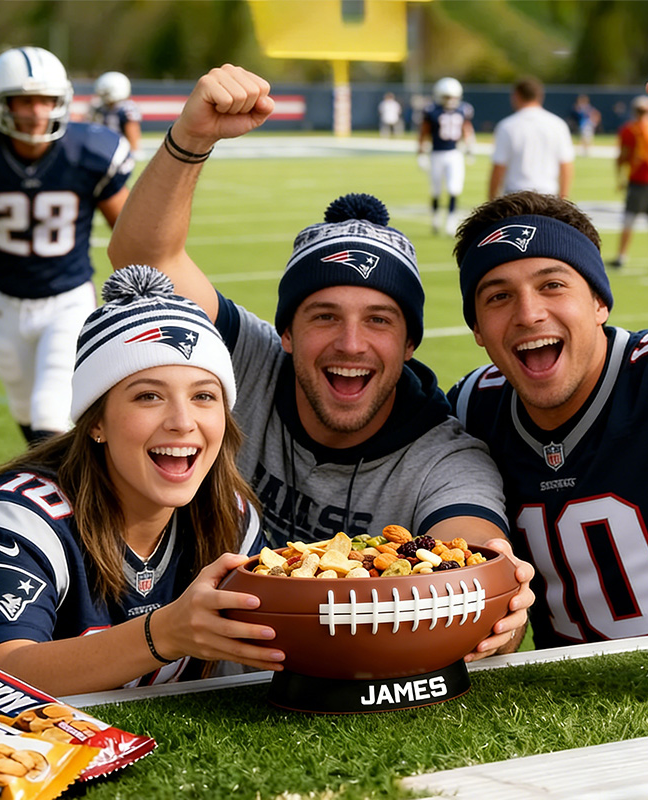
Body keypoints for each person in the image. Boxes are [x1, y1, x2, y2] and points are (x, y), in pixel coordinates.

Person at [107, 64, 535, 662]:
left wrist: (494, 605)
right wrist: (191, 139)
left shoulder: (442, 454)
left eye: (379, 320)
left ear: (410, 344)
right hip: (200, 678)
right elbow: (143, 259)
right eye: (324, 316)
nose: (352, 344)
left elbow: (471, 556)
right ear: (285, 332)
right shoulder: (249, 362)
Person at [446, 45, 648, 652]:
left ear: (600, 303)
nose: (529, 312)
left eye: (553, 285)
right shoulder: (471, 409)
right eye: (498, 296)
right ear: (477, 330)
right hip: (563, 699)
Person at [0, 265, 275, 696]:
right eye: (149, 395)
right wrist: (162, 634)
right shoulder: (16, 520)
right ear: (96, 422)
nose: (183, 422)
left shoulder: (232, 515)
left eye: (204, 396)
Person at [0, 46, 134, 445]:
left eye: (46, 99)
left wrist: (135, 293)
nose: (37, 111)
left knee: (50, 414)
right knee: (27, 416)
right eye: (24, 100)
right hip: (7, 306)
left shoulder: (89, 151)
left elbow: (131, 234)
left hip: (68, 301)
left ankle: (68, 505)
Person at [609, 95, 648, 273]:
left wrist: (619, 178)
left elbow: (622, 157)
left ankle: (621, 256)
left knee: (629, 219)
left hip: (637, 181)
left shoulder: (629, 130)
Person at [489, 76, 574, 199]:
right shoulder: (557, 125)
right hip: (548, 197)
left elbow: (499, 167)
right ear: (540, 96)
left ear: (516, 96)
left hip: (515, 198)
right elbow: (566, 166)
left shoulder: (507, 126)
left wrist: (492, 200)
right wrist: (563, 200)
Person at [417, 77, 475, 236]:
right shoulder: (431, 110)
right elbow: (424, 132)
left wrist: (469, 148)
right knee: (435, 190)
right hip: (436, 154)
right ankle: (435, 219)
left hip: (454, 154)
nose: (450, 100)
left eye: (453, 96)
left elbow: (466, 129)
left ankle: (450, 221)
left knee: (453, 188)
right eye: (447, 96)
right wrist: (421, 153)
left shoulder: (463, 109)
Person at [85, 70, 143, 157]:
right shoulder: (97, 107)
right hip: (102, 148)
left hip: (121, 148)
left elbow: (132, 132)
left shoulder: (127, 109)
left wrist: (133, 151)